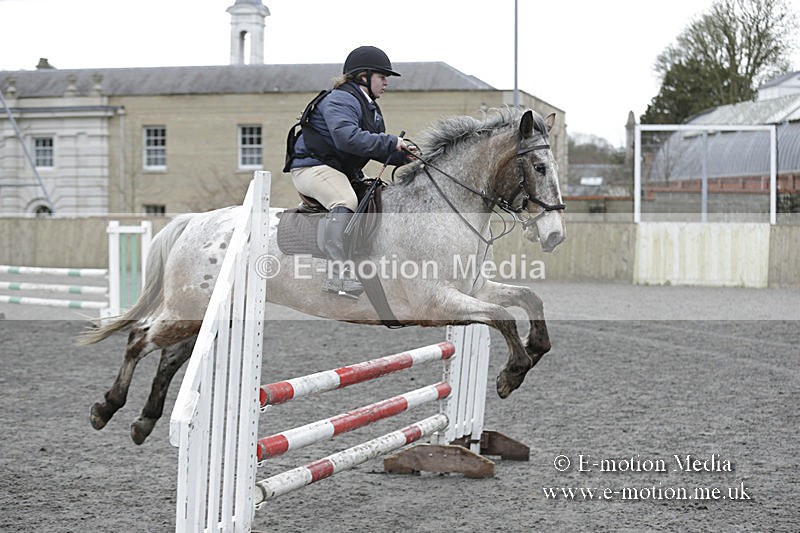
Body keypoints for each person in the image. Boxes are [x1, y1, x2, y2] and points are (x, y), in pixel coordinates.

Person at [285, 45, 415, 298]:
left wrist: (403, 155)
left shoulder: (371, 109)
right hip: (312, 167)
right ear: (362, 76)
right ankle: (338, 275)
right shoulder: (341, 99)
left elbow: (373, 146)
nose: (386, 82)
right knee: (345, 200)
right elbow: (347, 139)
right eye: (382, 76)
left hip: (338, 171)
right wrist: (390, 141)